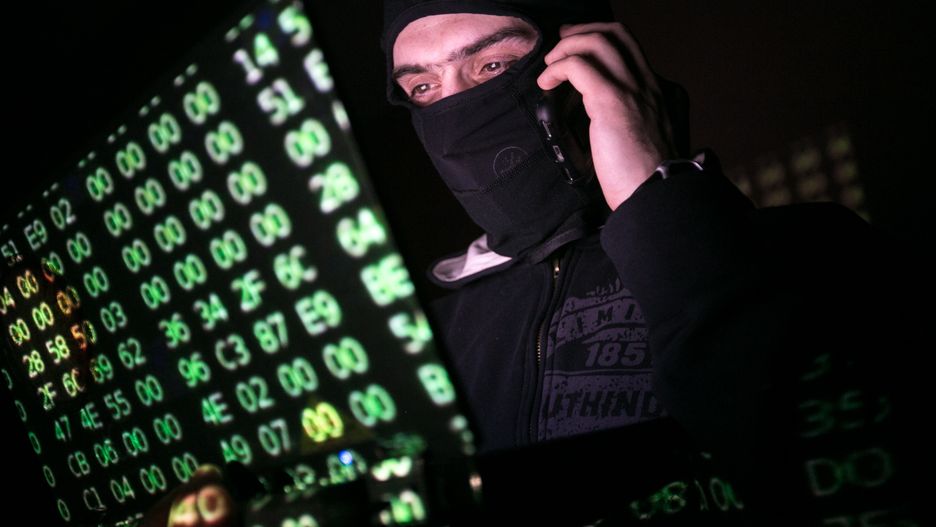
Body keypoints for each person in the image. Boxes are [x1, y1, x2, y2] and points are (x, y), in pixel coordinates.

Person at [146, 1, 930, 525]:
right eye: (423, 87)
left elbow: (821, 473)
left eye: (491, 68)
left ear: (590, 59)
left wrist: (659, 198)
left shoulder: (806, 251)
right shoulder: (419, 336)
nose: (457, 109)